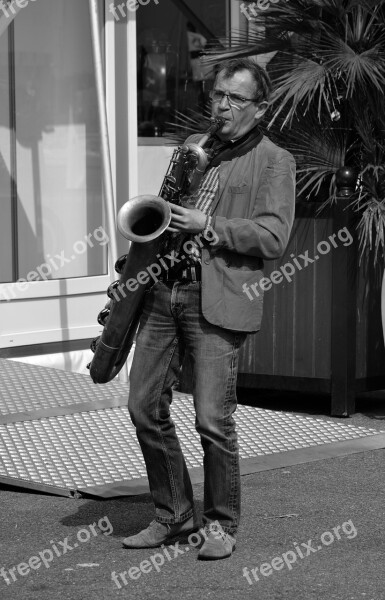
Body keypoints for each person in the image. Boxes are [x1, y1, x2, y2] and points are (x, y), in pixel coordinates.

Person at [123, 57, 296, 560]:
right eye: (218, 95)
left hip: (215, 296)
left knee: (213, 419)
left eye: (235, 99)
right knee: (142, 407)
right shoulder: (193, 150)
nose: (221, 106)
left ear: (259, 109)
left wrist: (208, 224)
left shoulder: (274, 160)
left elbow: (272, 236)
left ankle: (221, 523)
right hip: (162, 291)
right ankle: (173, 513)